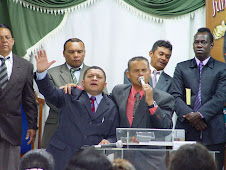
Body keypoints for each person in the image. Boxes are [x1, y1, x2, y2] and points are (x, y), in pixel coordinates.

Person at [35, 50, 119, 170]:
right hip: (60, 156)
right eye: (90, 76)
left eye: (98, 77)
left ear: (104, 84)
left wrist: (109, 141)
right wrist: (42, 73)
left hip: (90, 161)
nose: (94, 79)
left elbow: (113, 134)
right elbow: (50, 92)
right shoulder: (69, 94)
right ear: (83, 83)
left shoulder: (112, 106)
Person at [171, 27, 226, 170]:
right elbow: (175, 96)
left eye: (203, 42)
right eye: (196, 42)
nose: (199, 45)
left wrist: (200, 115)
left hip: (213, 130)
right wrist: (192, 118)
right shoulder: (181, 68)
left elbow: (220, 97)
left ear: (211, 45)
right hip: (186, 129)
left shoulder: (222, 68)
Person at [111, 56, 174, 170]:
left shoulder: (164, 98)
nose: (140, 74)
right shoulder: (118, 91)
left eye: (144, 70)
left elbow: (166, 128)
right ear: (128, 75)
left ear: (149, 73)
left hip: (151, 159)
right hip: (124, 158)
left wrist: (151, 103)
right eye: (136, 71)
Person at [0, 24, 38, 170]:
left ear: (13, 41)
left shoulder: (25, 66)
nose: (4, 40)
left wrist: (32, 125)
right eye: (0, 38)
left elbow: (28, 99)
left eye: (7, 37)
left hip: (11, 128)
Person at [41, 38, 90, 148]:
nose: (76, 55)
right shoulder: (51, 73)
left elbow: (102, 100)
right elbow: (51, 101)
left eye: (79, 51)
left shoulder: (95, 74)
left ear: (84, 53)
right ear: (64, 53)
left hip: (86, 129)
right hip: (57, 127)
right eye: (71, 52)